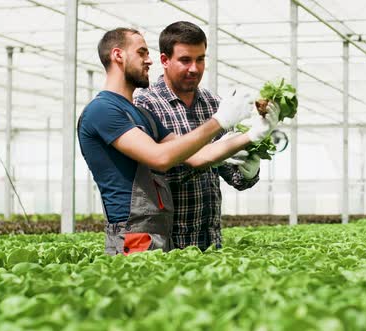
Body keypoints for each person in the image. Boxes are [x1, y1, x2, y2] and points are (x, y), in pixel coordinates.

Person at [78, 27, 276, 255]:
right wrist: (219, 121)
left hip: (157, 230)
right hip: (132, 232)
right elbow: (160, 158)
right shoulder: (102, 110)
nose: (149, 61)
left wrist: (253, 134)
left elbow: (198, 157)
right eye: (142, 53)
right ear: (118, 55)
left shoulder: (142, 115)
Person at [134, 21, 280, 251]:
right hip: (166, 245)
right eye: (185, 60)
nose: (194, 68)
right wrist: (211, 156)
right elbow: (155, 175)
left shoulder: (214, 104)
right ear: (164, 60)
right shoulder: (146, 104)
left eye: (200, 59)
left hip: (210, 244)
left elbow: (234, 178)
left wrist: (248, 168)